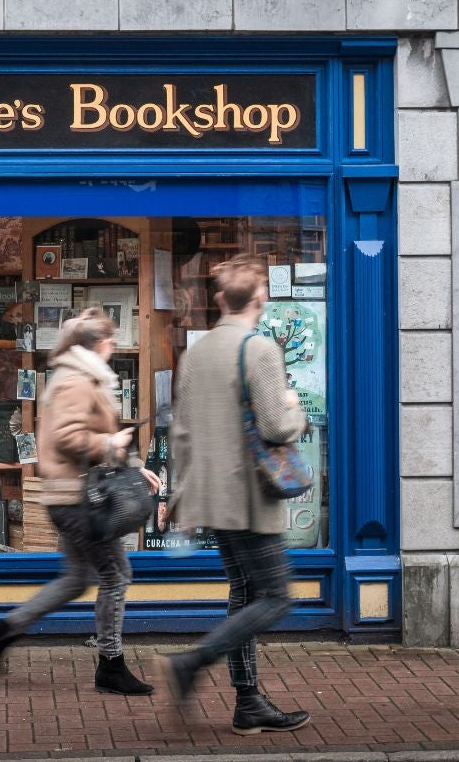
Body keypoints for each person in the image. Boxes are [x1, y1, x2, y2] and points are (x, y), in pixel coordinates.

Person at [157, 255, 313, 735]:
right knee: (277, 597)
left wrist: (181, 496)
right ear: (261, 299)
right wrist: (295, 409)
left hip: (212, 498)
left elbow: (179, 433)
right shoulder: (260, 348)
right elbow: (276, 424)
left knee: (244, 593)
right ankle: (192, 662)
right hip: (248, 495)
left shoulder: (196, 353)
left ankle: (248, 703)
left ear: (221, 298)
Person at [0, 307, 161, 695]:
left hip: (73, 496)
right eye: (111, 341)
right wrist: (110, 443)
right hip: (79, 500)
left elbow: (95, 435)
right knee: (115, 575)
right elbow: (68, 438)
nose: (115, 347)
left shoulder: (81, 376)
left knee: (77, 578)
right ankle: (111, 664)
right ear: (97, 344)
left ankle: (2, 632)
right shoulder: (75, 380)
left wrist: (132, 465)